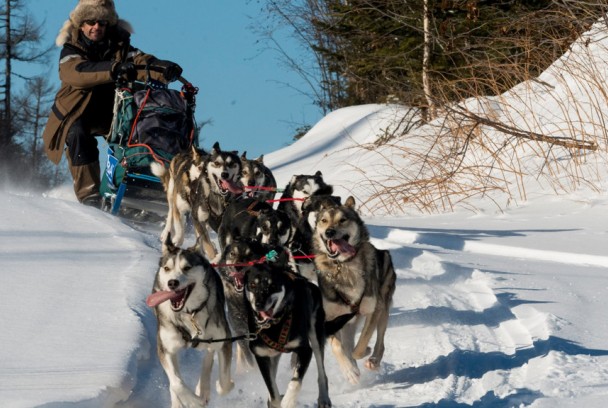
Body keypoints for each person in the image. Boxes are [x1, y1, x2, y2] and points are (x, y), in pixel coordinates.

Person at [42, 0, 183, 207]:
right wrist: (114, 69)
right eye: (90, 22)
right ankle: (89, 196)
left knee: (140, 130)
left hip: (114, 112)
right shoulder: (71, 48)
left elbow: (142, 62)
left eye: (101, 22)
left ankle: (136, 186)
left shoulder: (120, 45)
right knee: (78, 133)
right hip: (78, 112)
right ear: (81, 24)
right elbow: (77, 73)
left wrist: (163, 68)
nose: (96, 27)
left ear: (108, 24)